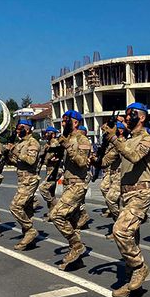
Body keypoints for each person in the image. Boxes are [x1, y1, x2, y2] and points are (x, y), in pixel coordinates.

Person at [101, 102, 150, 297]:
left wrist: (115, 138)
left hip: (141, 193)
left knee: (120, 231)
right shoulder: (128, 139)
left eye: (131, 114)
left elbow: (134, 156)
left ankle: (140, 267)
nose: (127, 117)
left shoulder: (147, 139)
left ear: (142, 117)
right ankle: (133, 281)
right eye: (126, 114)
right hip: (126, 194)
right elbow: (104, 161)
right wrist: (108, 138)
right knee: (132, 238)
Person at [50, 110, 92, 269]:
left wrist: (67, 145)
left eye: (66, 120)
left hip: (77, 184)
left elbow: (82, 162)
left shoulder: (83, 140)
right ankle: (76, 258)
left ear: (75, 122)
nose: (63, 123)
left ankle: (77, 246)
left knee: (56, 215)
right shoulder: (67, 139)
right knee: (73, 223)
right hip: (68, 184)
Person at [7, 119, 41, 251]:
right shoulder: (21, 143)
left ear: (27, 129)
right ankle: (28, 239)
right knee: (27, 209)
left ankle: (30, 230)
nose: (17, 130)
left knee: (15, 207)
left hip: (29, 179)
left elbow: (31, 161)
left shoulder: (33, 143)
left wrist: (15, 151)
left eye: (20, 127)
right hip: (22, 179)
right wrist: (8, 155)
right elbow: (18, 162)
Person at [100, 122, 125, 227]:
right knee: (107, 191)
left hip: (119, 174)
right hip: (111, 173)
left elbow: (108, 159)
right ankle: (118, 224)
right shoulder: (110, 143)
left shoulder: (121, 142)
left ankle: (122, 223)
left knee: (111, 198)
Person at [39, 126, 62, 219]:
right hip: (50, 170)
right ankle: (52, 213)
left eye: (47, 133)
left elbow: (52, 157)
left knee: (43, 189)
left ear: (52, 134)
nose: (45, 135)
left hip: (55, 170)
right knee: (51, 192)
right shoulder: (48, 144)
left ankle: (57, 207)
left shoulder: (55, 144)